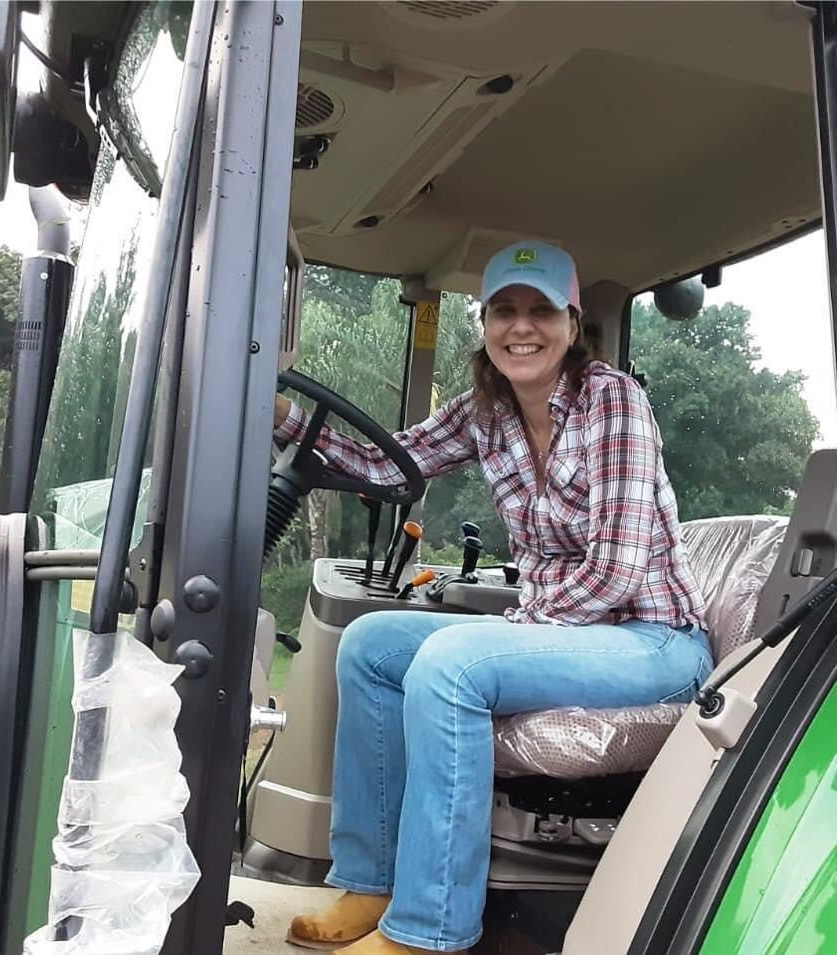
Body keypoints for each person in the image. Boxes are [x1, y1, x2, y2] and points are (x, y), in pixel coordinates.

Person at [272, 240, 711, 955]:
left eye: (540, 309)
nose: (521, 327)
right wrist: (282, 412)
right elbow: (384, 462)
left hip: (653, 638)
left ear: (572, 323)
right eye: (503, 310)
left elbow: (618, 571)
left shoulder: (612, 401)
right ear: (484, 325)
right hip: (572, 630)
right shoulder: (488, 412)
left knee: (451, 663)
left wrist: (521, 624)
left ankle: (426, 930)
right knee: (372, 645)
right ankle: (374, 882)